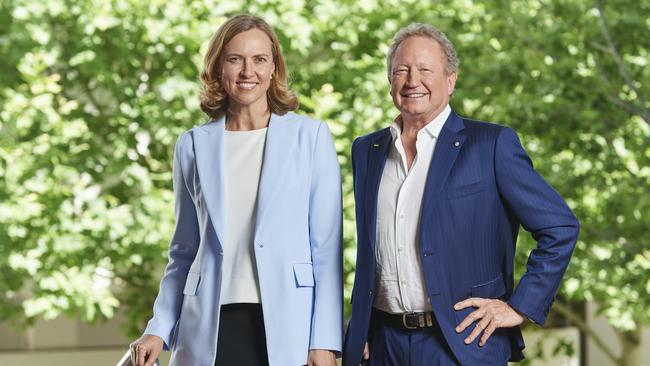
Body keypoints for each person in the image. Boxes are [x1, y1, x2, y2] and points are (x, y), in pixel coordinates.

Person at [342, 23, 579, 366]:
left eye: (425, 70)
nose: (412, 80)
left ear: (450, 80)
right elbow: (370, 250)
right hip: (381, 346)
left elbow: (560, 227)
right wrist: (361, 326)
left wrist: (518, 306)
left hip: (460, 345)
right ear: (390, 79)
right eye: (401, 70)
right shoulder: (367, 150)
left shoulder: (490, 145)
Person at [129, 14, 343, 366]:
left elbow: (326, 250)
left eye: (259, 60)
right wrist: (160, 326)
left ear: (274, 68)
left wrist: (324, 341)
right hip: (209, 324)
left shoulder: (310, 138)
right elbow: (184, 250)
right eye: (235, 59)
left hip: (289, 322)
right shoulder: (192, 146)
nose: (248, 72)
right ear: (218, 69)